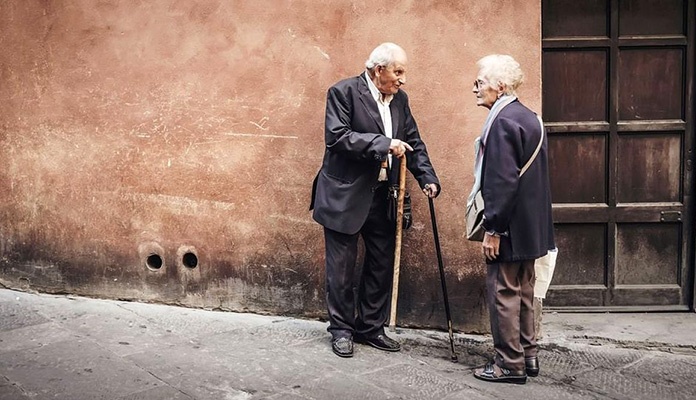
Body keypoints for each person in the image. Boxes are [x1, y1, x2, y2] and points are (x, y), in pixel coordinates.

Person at [310, 42, 441, 358]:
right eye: (398, 71)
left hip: (383, 196)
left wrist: (428, 178)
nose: (403, 79)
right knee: (341, 270)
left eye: (403, 72)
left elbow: (413, 142)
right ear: (378, 69)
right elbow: (338, 137)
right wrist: (384, 143)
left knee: (381, 265)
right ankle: (342, 330)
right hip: (344, 195)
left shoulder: (400, 100)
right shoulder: (343, 92)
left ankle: (370, 327)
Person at [468, 55, 555, 384]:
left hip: (509, 227)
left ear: (499, 86)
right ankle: (528, 355)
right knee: (524, 290)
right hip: (531, 227)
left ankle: (509, 364)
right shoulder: (530, 117)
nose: (475, 88)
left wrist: (494, 229)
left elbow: (502, 181)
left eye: (480, 82)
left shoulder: (502, 121)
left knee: (504, 292)